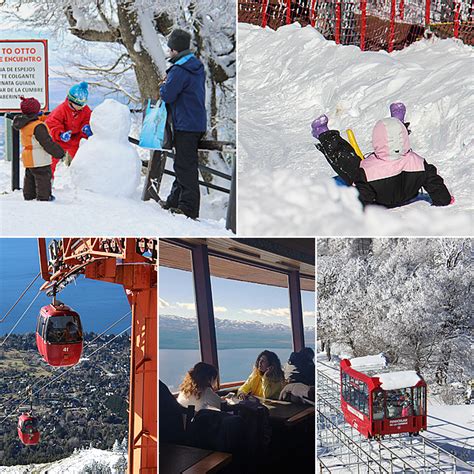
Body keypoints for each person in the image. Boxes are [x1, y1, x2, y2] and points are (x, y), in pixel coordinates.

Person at [312, 102, 453, 208]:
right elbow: (438, 189)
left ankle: (324, 134)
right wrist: (444, 199)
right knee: (398, 144)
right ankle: (398, 125)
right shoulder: (419, 164)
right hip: (407, 192)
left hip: (380, 200)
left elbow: (362, 200)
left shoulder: (367, 172)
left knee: (347, 160)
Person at [159, 29, 207, 219]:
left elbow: (168, 94)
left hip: (185, 124)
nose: (169, 52)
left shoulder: (179, 70)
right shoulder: (196, 66)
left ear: (175, 50)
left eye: (170, 49)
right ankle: (174, 200)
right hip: (195, 122)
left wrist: (163, 86)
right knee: (183, 163)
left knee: (185, 166)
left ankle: (188, 208)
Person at [12, 97, 66, 201]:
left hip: (28, 156)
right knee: (43, 176)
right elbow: (46, 142)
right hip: (39, 158)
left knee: (30, 177)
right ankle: (44, 197)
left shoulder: (24, 123)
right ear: (36, 110)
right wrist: (59, 152)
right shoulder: (38, 126)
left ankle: (29, 196)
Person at [45, 81, 92, 177]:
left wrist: (86, 128)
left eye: (83, 105)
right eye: (79, 105)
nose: (81, 107)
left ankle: (85, 180)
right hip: (60, 140)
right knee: (50, 160)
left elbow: (87, 119)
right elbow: (52, 123)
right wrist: (60, 134)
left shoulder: (85, 110)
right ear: (71, 101)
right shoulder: (61, 110)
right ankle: (48, 180)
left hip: (77, 140)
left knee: (83, 159)